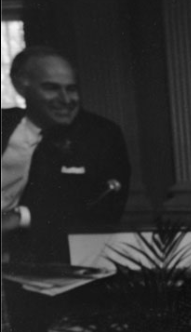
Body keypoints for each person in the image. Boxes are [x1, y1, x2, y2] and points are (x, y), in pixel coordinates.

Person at [1, 46, 130, 263]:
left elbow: (104, 209)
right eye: (51, 88)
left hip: (44, 261)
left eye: (71, 89)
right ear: (21, 86)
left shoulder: (100, 135)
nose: (66, 99)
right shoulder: (5, 124)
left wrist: (19, 218)